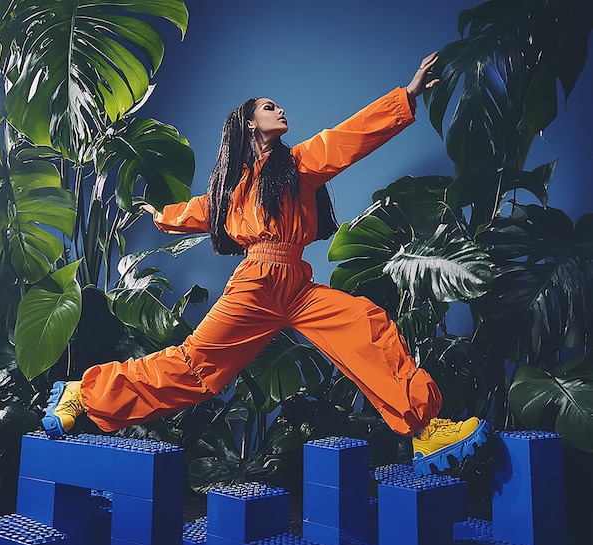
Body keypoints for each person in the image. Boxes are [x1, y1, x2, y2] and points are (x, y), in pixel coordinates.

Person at [42, 52, 489, 475]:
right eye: (269, 107)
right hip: (256, 285)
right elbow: (198, 210)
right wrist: (163, 216)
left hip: (297, 285)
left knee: (365, 325)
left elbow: (348, 138)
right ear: (248, 123)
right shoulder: (230, 192)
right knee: (198, 369)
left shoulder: (297, 165)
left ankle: (426, 430)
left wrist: (405, 97)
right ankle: (86, 392)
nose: (280, 111)